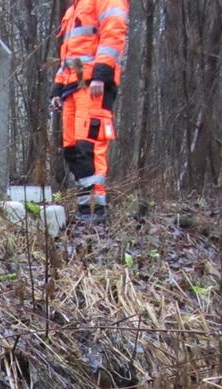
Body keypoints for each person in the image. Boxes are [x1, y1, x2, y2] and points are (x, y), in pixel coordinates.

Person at [50, 0, 129, 224]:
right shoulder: (74, 8)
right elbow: (70, 56)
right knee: (72, 148)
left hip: (93, 84)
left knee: (90, 145)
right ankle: (84, 205)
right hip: (73, 86)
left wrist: (101, 74)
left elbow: (114, 34)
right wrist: (58, 88)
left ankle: (94, 210)